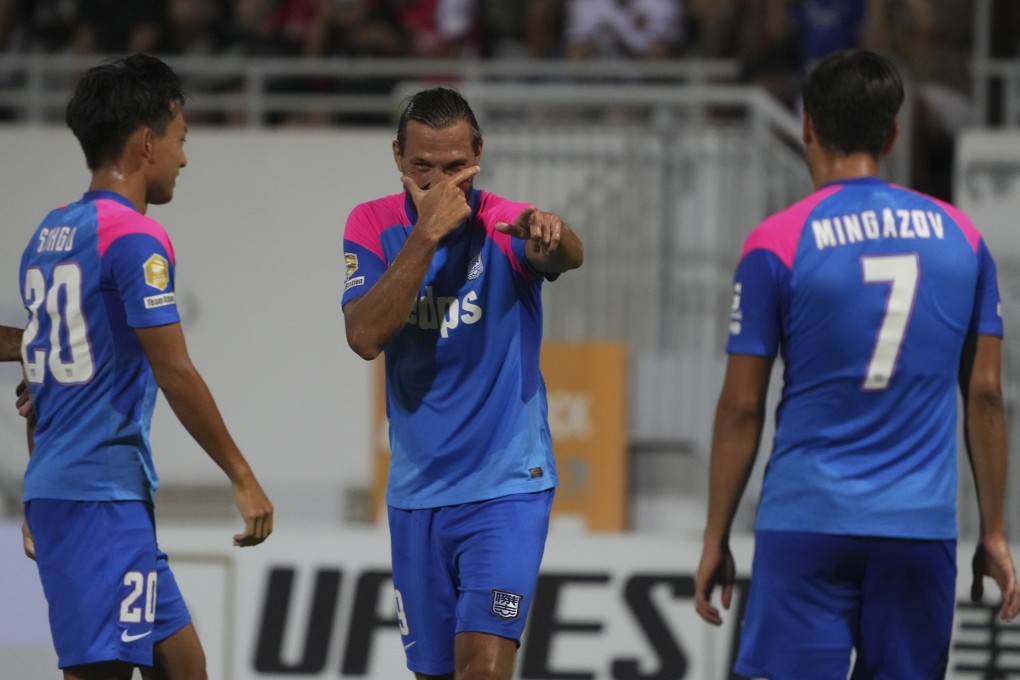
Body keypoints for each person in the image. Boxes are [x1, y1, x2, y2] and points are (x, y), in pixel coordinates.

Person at [694, 49, 1020, 679]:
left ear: (806, 124)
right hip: (918, 529)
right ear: (894, 135)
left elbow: (741, 406)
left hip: (807, 521)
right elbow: (984, 397)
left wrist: (716, 536)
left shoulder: (777, 241)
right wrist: (996, 532)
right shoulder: (964, 239)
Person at [18, 54, 274, 680]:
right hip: (97, 498)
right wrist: (242, 476)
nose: (183, 158)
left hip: (83, 491)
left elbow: (40, 378)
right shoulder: (135, 238)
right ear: (145, 141)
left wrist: (36, 488)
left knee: (184, 667)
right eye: (181, 140)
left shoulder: (50, 233)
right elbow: (175, 371)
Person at [341, 87, 583, 680]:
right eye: (423, 167)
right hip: (417, 492)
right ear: (397, 157)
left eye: (456, 167)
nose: (440, 183)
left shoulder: (504, 220)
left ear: (479, 152)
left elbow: (566, 255)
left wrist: (550, 233)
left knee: (482, 669)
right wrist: (426, 235)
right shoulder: (370, 224)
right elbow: (365, 336)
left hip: (507, 486)